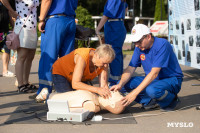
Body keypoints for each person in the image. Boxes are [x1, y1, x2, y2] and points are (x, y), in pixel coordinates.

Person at [110, 24, 184, 111]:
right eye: (134, 42)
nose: (136, 45)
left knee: (152, 90)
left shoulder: (162, 44)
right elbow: (130, 68)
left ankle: (171, 100)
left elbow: (154, 73)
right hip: (154, 80)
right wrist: (120, 84)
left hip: (171, 79)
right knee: (122, 85)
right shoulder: (140, 48)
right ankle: (150, 101)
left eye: (138, 41)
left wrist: (134, 94)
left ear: (148, 37)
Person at [35, 45, 115, 102]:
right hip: (61, 72)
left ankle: (59, 93)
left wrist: (107, 95)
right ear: (96, 55)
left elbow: (103, 85)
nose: (106, 66)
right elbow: (76, 84)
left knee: (87, 97)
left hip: (77, 77)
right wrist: (97, 90)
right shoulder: (82, 57)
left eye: (108, 63)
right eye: (104, 63)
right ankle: (47, 95)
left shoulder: (103, 61)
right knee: (68, 100)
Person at [37, 0, 78, 96]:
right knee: (67, 60)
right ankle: (66, 90)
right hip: (70, 20)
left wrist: (41, 19)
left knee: (48, 58)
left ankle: (45, 90)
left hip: (55, 20)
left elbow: (47, 0)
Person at [2, 0, 39, 92]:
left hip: (33, 28)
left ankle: (26, 82)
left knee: (30, 56)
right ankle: (20, 84)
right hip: (23, 27)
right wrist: (12, 11)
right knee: (22, 56)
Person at [96, 0, 128, 86]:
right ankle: (118, 79)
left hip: (113, 26)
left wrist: (98, 28)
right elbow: (126, 9)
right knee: (117, 53)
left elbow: (106, 15)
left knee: (113, 53)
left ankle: (115, 82)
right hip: (119, 25)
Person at [49, 90, 125, 114]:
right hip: (53, 98)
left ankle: (46, 95)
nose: (113, 91)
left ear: (111, 103)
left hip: (52, 100)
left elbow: (73, 110)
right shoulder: (95, 101)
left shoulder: (93, 105)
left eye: (114, 94)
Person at [0, 0, 15, 77]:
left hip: (4, 29)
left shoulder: (6, 3)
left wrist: (13, 27)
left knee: (6, 49)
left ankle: (5, 71)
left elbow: (9, 13)